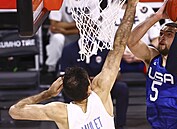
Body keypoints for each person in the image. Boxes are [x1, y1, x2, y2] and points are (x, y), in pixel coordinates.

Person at [8, 0, 138, 128]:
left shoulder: (59, 111)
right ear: (89, 87)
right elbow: (119, 44)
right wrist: (131, 5)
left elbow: (14, 111)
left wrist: (47, 94)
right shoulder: (100, 92)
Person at [127, 1, 177, 128]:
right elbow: (131, 42)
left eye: (169, 34)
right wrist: (156, 17)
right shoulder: (152, 57)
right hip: (155, 123)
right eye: (161, 33)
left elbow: (172, 67)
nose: (162, 37)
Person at [59, 38, 129, 129]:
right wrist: (84, 81)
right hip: (78, 87)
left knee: (122, 88)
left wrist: (99, 80)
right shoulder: (69, 49)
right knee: (66, 89)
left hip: (101, 86)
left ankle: (120, 125)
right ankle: (72, 121)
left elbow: (117, 73)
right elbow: (63, 76)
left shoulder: (105, 47)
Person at [115, 0, 161, 73]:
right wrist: (119, 54)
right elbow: (104, 43)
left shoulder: (145, 9)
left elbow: (156, 39)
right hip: (118, 60)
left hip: (144, 60)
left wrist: (142, 53)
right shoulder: (109, 12)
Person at [45, 0, 80, 72]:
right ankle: (51, 69)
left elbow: (90, 27)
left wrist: (66, 30)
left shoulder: (90, 2)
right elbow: (54, 26)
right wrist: (77, 24)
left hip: (79, 36)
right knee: (58, 38)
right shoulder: (60, 1)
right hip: (63, 35)